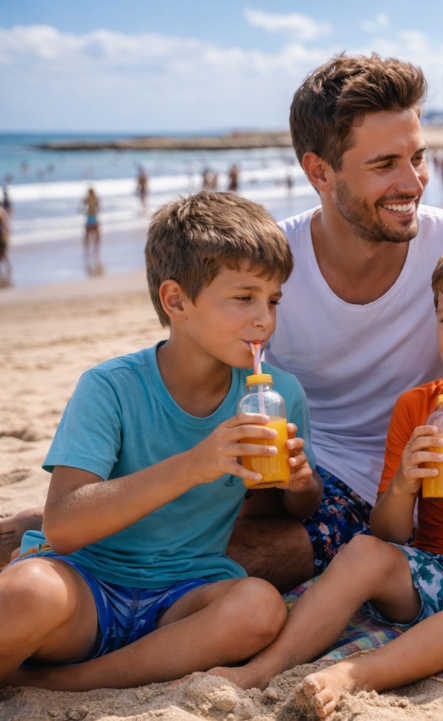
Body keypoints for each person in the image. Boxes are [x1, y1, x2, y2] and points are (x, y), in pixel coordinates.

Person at [210, 228, 443, 718]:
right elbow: (389, 536)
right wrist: (405, 483)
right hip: (433, 572)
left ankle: (359, 673)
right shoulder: (416, 407)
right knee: (362, 550)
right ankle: (267, 668)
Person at [0, 191, 320, 690]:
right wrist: (197, 463)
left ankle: (62, 684)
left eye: (273, 300)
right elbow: (62, 525)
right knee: (24, 593)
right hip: (86, 582)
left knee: (258, 607)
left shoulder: (279, 393)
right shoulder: (111, 386)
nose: (265, 319)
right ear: (177, 301)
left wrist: (300, 483)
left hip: (186, 597)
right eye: (244, 298)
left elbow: (298, 509)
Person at [235, 54, 443, 592]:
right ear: (319, 171)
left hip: (384, 486)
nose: (413, 182)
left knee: (240, 559)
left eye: (418, 158)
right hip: (281, 468)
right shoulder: (269, 264)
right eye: (384, 164)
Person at [81, 187, 101, 261]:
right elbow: (98, 208)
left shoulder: (86, 198)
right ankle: (96, 250)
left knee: (87, 236)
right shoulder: (96, 198)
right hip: (94, 218)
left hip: (89, 218)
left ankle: (87, 251)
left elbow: (82, 208)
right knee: (97, 235)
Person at [0, 205, 11, 287]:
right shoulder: (2, 210)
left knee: (3, 252)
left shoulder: (1, 210)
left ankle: (9, 267)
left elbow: (5, 222)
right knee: (3, 253)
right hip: (4, 234)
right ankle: (9, 267)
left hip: (2, 235)